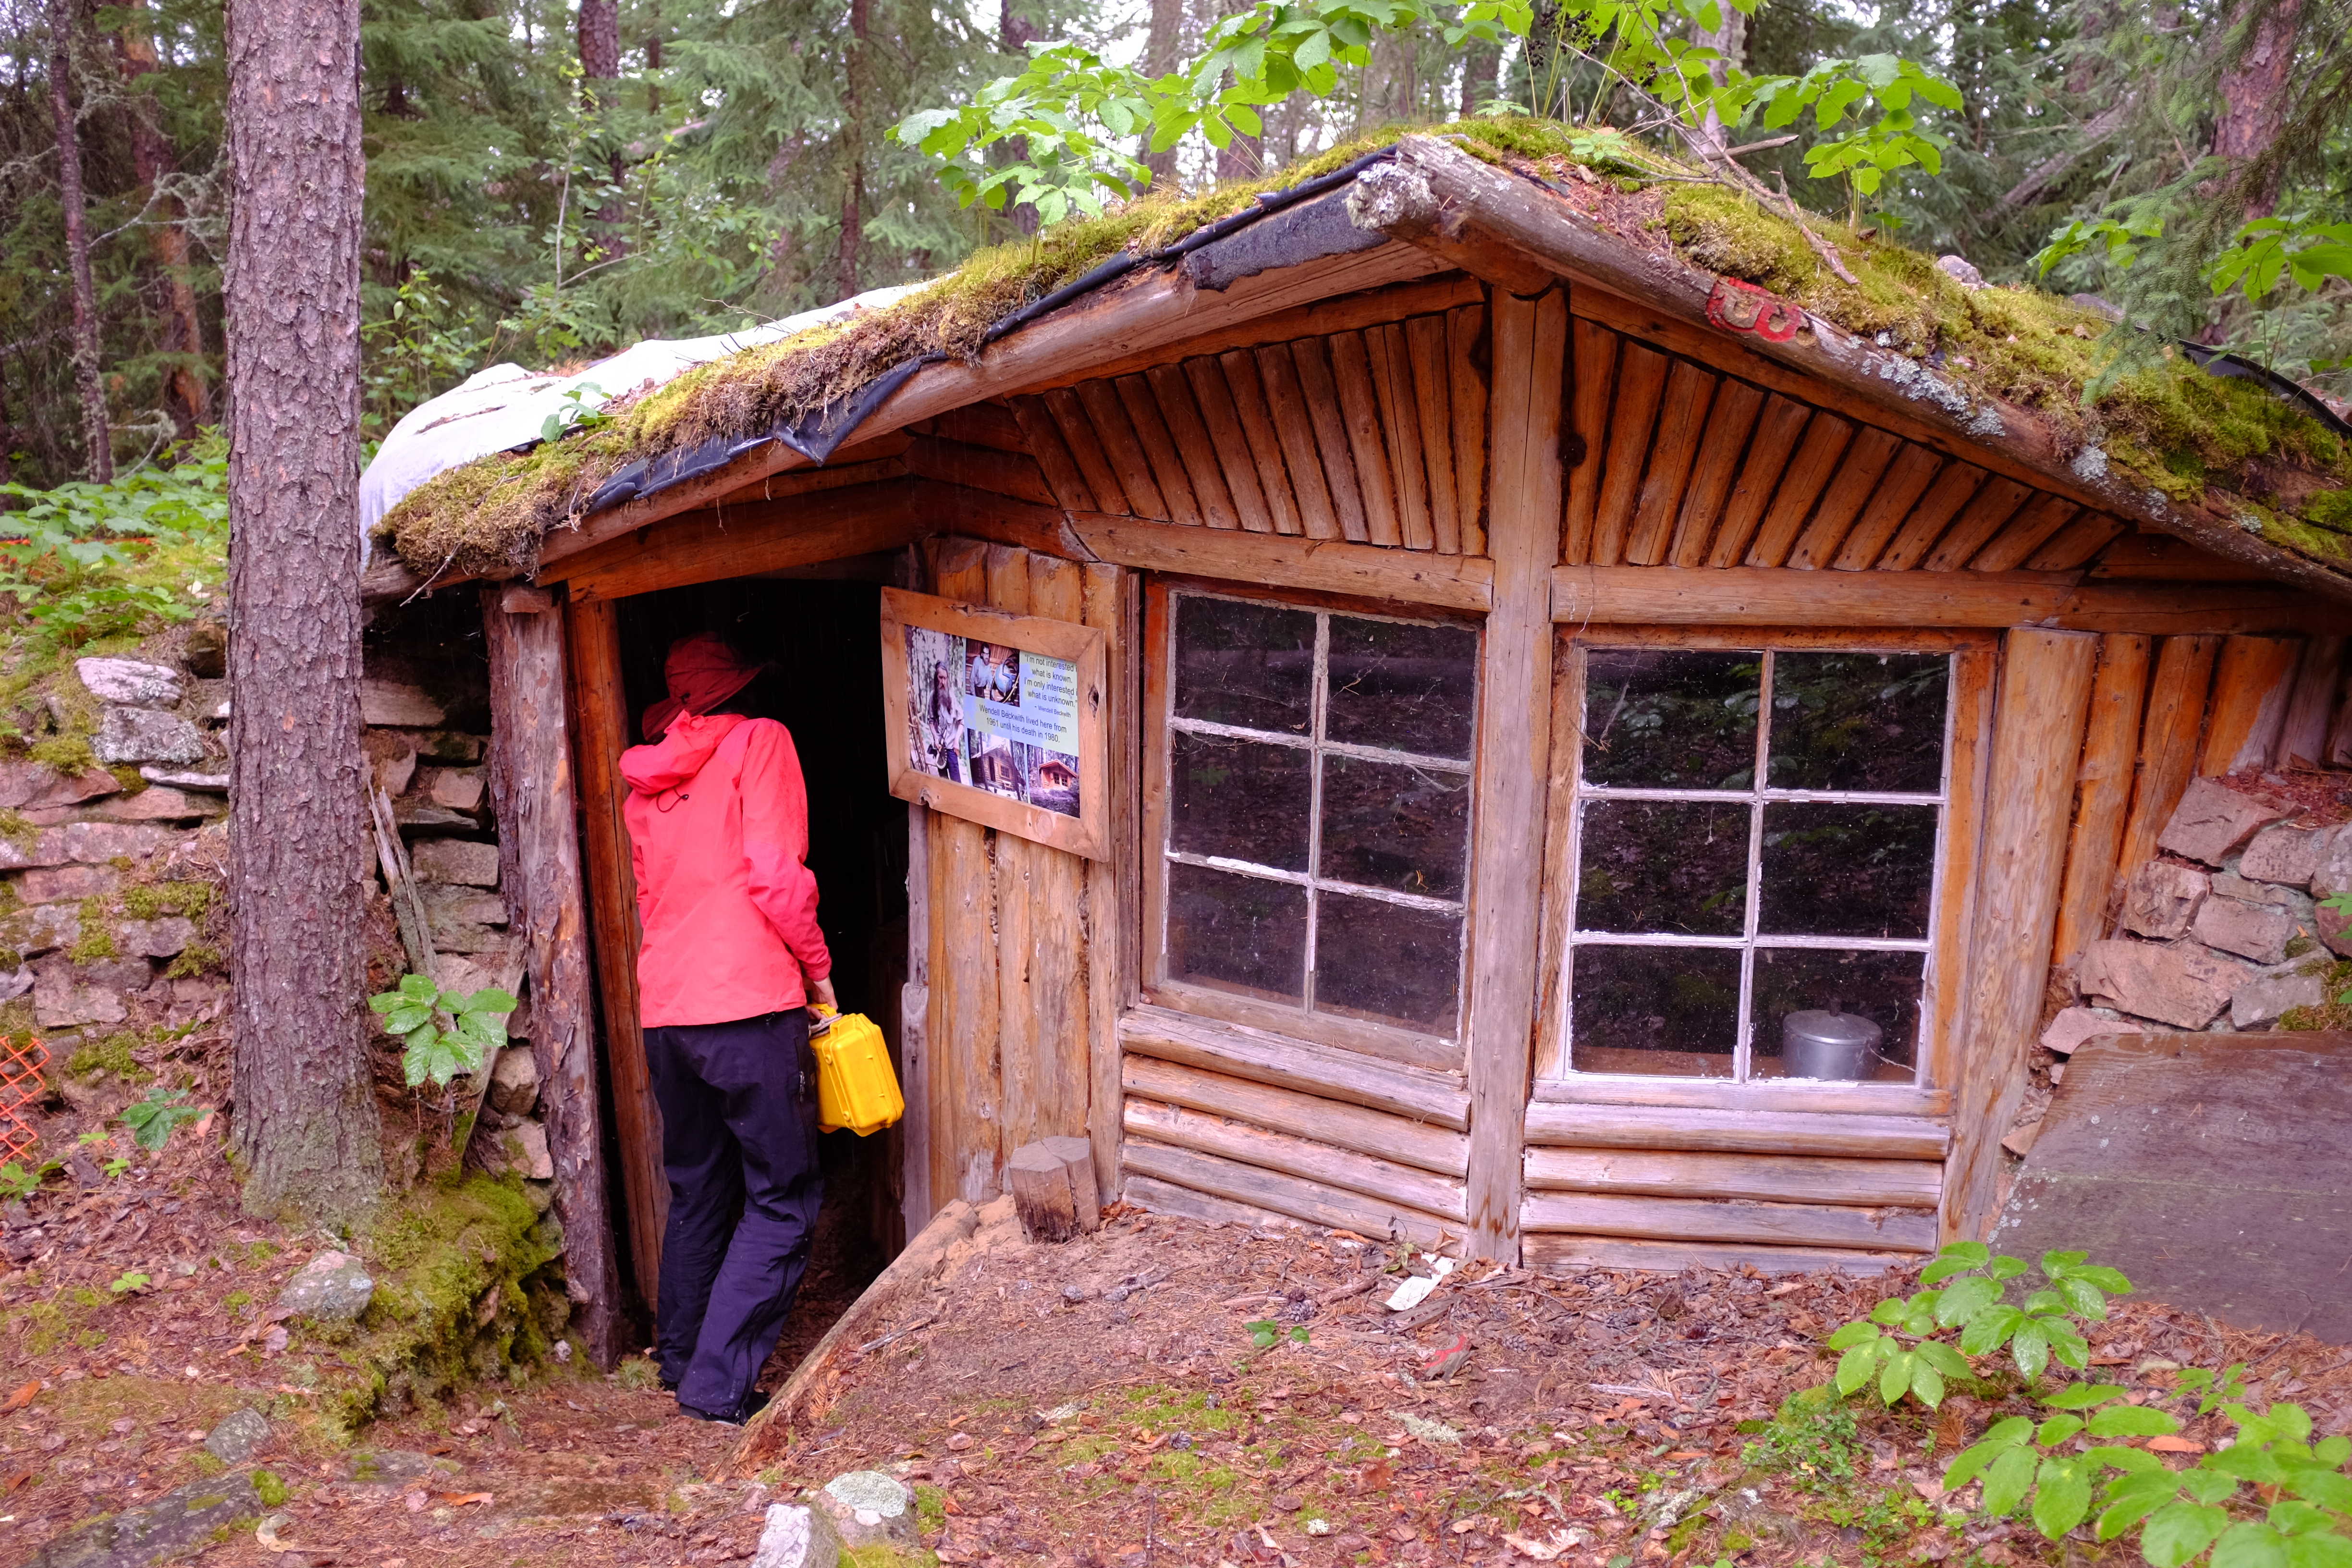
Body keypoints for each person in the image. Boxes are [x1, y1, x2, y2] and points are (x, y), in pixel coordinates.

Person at [619, 632, 835, 1425]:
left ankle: (680, 1359)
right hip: (748, 1005)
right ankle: (716, 1387)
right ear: (737, 690)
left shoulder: (643, 784)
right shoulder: (762, 740)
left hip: (667, 1011)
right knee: (784, 1196)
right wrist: (817, 970)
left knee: (700, 1184)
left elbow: (651, 901)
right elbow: (777, 876)